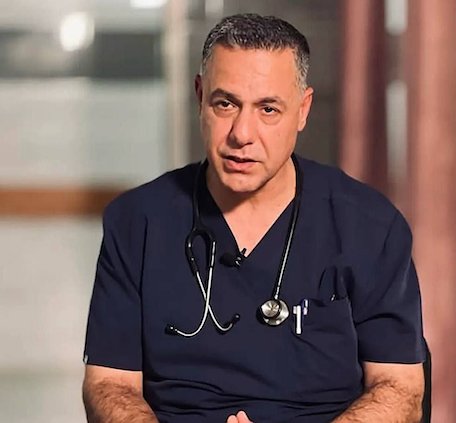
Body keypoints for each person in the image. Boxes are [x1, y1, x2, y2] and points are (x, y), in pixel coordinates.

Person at [82, 13, 426, 423]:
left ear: (302, 110)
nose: (242, 134)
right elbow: (109, 385)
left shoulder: (369, 226)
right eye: (225, 104)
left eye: (268, 109)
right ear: (199, 97)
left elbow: (400, 389)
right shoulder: (137, 222)